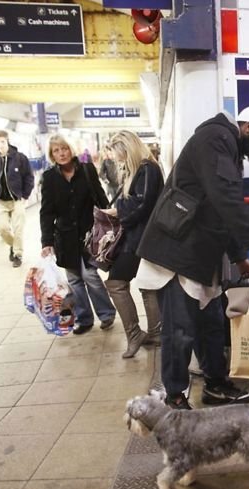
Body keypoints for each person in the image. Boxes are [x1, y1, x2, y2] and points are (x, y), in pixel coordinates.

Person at [136, 106, 249, 410]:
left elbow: (220, 208)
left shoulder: (228, 148)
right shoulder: (215, 138)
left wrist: (240, 257)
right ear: (248, 125)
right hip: (177, 253)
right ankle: (174, 397)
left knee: (211, 325)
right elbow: (224, 197)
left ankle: (215, 385)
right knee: (180, 331)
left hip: (199, 255)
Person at [40, 134, 116, 335]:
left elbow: (99, 196)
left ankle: (106, 314)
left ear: (71, 149)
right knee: (74, 279)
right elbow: (46, 212)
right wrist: (46, 241)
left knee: (90, 274)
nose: (61, 153)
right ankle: (84, 319)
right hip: (64, 236)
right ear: (51, 155)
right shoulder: (49, 178)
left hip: (89, 232)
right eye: (56, 150)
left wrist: (110, 220)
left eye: (64, 148)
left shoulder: (87, 169)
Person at [103, 131, 164, 358]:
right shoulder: (140, 169)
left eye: (116, 150)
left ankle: (137, 334)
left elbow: (143, 204)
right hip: (141, 236)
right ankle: (155, 333)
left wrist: (117, 212)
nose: (114, 155)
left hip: (141, 238)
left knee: (117, 283)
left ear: (127, 148)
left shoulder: (147, 168)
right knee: (148, 286)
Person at [0, 129, 34, 268]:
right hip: (0, 200)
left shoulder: (19, 158)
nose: (0, 145)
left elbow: (29, 177)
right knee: (1, 228)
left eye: (2, 141)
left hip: (17, 199)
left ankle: (18, 255)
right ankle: (13, 245)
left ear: (7, 140)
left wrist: (25, 195)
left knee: (18, 229)